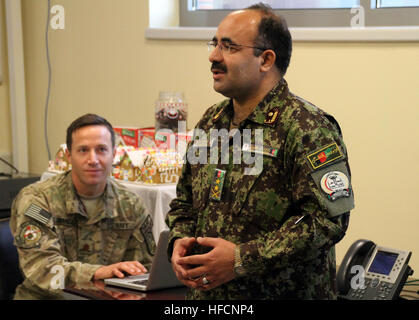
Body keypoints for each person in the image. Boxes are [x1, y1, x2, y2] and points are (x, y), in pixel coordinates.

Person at [166, 3, 354, 300]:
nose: (213, 56)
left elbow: (327, 221)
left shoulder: (307, 127)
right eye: (214, 44)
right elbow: (184, 201)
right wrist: (179, 240)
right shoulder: (211, 121)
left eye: (228, 46)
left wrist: (242, 258)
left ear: (266, 60)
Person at [10, 113, 155, 299]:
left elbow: (145, 270)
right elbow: (42, 269)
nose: (93, 159)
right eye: (83, 150)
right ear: (69, 156)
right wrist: (97, 273)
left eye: (101, 149)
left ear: (114, 154)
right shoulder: (37, 200)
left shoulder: (131, 205)